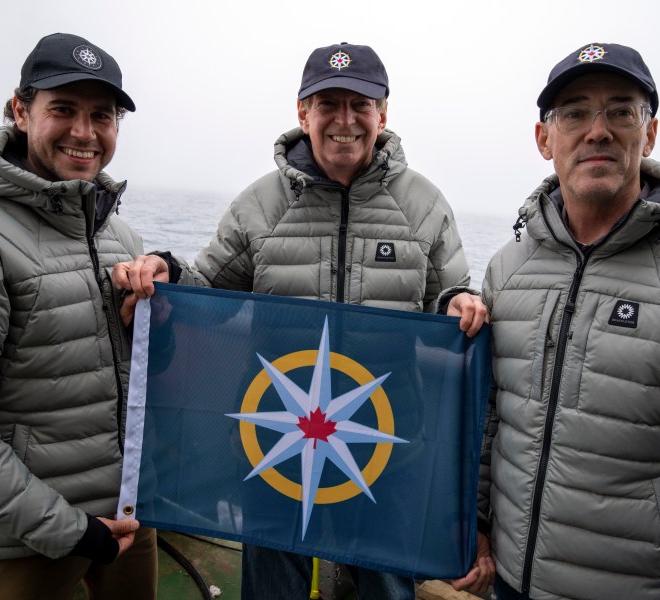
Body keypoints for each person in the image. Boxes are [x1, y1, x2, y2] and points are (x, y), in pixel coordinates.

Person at [113, 42, 487, 599]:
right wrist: (164, 271)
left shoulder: (424, 205)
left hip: (388, 440)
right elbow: (207, 293)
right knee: (272, 581)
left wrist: (462, 301)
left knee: (386, 584)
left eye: (360, 104)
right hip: (275, 435)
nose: (344, 120)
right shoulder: (258, 205)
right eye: (327, 103)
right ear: (301, 112)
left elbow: (448, 294)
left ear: (383, 113)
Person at [453, 42, 660, 599]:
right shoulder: (509, 269)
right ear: (545, 139)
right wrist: (480, 529)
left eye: (621, 111)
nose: (598, 131)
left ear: (649, 132)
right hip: (511, 581)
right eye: (575, 112)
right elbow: (491, 423)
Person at [0, 33, 157, 599]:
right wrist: (70, 531)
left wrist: (167, 275)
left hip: (127, 522)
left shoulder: (117, 233)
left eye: (102, 115)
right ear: (21, 111)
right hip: (20, 544)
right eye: (63, 110)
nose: (85, 133)